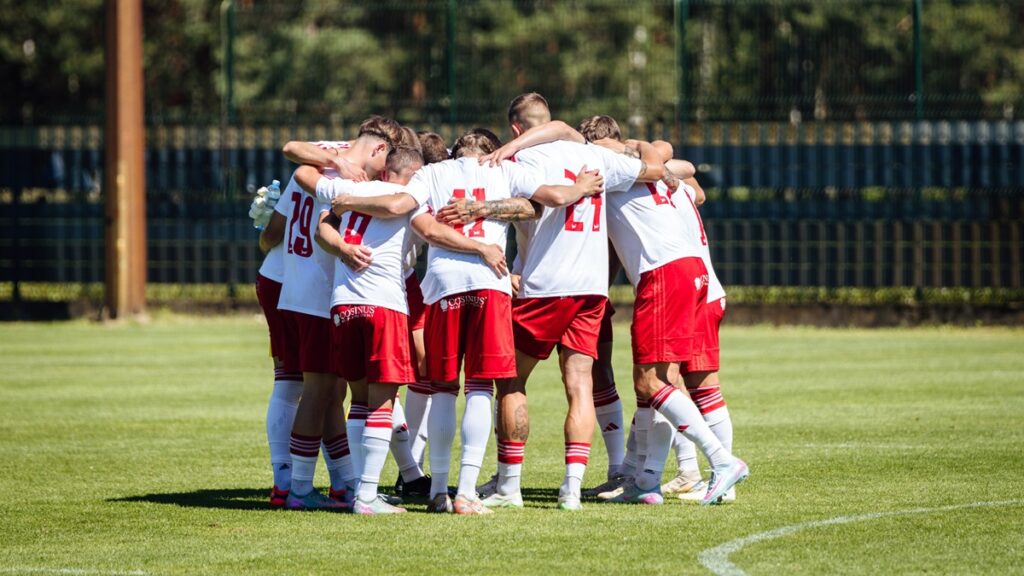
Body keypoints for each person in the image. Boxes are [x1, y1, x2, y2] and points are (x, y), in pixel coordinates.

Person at [439, 93, 663, 510]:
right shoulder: (595, 156)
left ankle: (509, 484)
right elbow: (654, 170)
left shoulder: (520, 160)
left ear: (515, 129)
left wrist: (477, 209)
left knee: (510, 381)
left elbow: (527, 207)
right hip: (591, 289)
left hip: (545, 288)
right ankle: (572, 489)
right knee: (580, 385)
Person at [408, 128, 604, 514]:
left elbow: (422, 224)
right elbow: (550, 200)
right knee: (480, 387)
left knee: (443, 389)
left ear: (456, 150)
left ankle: (438, 491)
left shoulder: (431, 173)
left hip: (443, 284)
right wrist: (580, 187)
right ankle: (466, 492)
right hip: (489, 282)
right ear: (492, 151)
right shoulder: (504, 168)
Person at [578, 114, 748, 505]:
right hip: (693, 273)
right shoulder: (642, 168)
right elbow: (686, 173)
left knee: (655, 383)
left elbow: (672, 163)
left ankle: (719, 463)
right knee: (664, 384)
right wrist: (647, 154)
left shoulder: (606, 165)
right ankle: (649, 479)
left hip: (665, 272)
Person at [272, 117, 400, 510]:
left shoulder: (323, 158)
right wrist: (342, 164)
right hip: (317, 293)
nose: (385, 173)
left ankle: (342, 481)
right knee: (317, 390)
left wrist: (337, 159)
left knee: (328, 391)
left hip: (300, 288)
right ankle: (297, 487)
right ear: (379, 148)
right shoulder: (342, 173)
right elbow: (293, 153)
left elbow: (294, 153)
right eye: (386, 162)